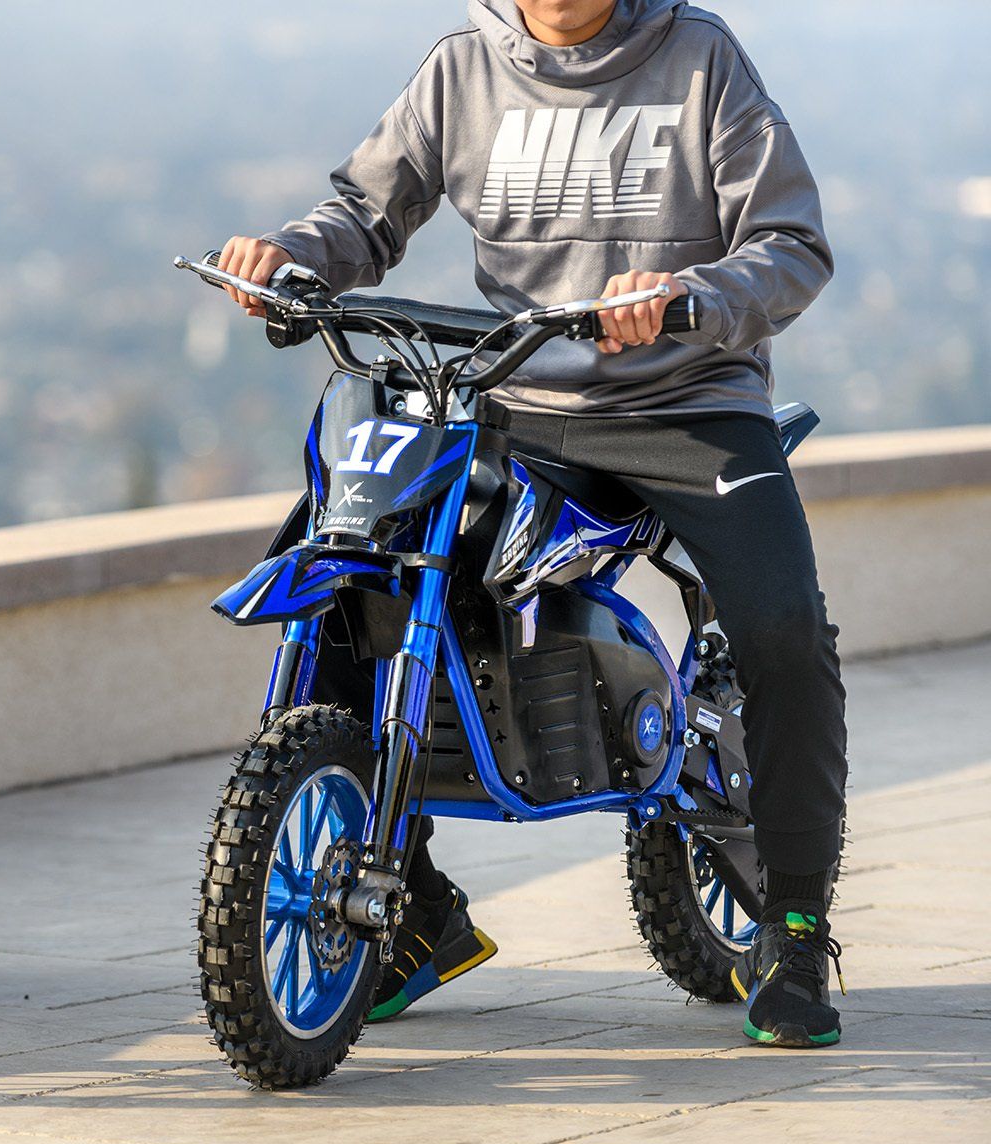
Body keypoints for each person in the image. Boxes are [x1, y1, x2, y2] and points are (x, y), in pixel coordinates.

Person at [218, 0, 845, 1047]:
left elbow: (792, 245)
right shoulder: (463, 68)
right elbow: (364, 216)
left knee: (783, 630)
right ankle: (413, 914)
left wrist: (691, 293)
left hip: (689, 405)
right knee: (345, 576)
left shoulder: (700, 57)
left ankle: (796, 927)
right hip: (513, 405)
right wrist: (289, 259)